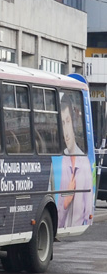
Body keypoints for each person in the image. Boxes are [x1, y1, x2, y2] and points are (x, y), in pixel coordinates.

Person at [55, 92, 93, 229]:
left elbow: (87, 214)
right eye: (62, 123)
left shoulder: (84, 164)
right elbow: (58, 220)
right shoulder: (62, 161)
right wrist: (66, 201)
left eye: (68, 121)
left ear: (74, 123)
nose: (66, 131)